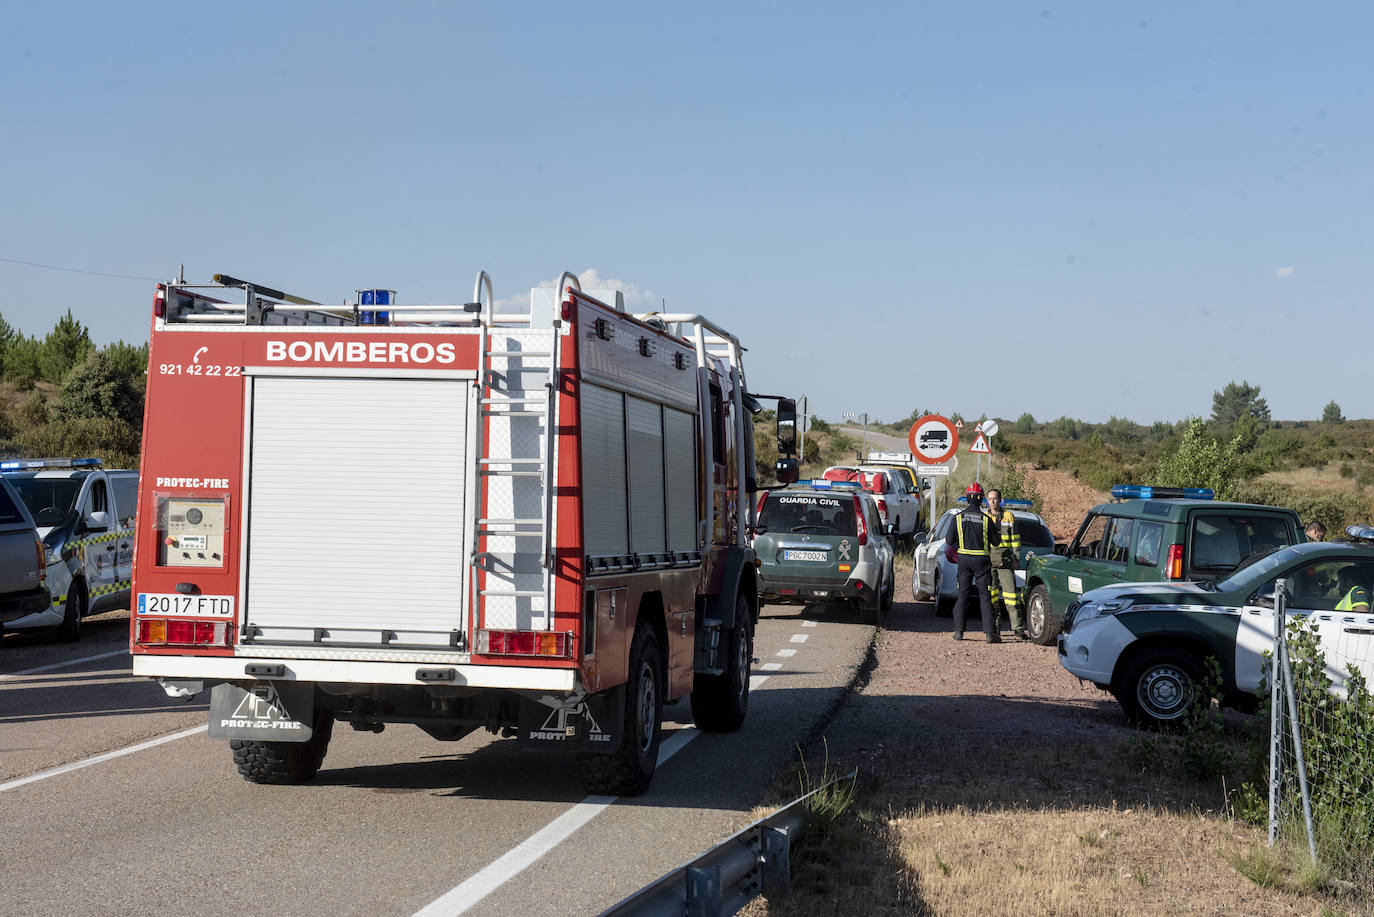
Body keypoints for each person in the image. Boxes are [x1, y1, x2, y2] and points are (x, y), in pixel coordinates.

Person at [945, 482, 1001, 643]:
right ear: (981, 500)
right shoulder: (986, 520)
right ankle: (990, 634)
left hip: (963, 560)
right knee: (984, 596)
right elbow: (996, 542)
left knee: (963, 594)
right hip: (982, 561)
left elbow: (949, 540)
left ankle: (959, 632)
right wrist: (996, 528)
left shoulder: (957, 518)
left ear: (967, 498)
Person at [986, 489, 1026, 640]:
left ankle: (1018, 629)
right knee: (992, 598)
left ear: (1000, 500)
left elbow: (1016, 539)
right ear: (987, 501)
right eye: (990, 499)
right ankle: (994, 629)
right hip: (989, 561)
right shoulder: (985, 517)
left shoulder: (1009, 516)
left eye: (995, 499)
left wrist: (1016, 558)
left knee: (1011, 597)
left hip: (1006, 561)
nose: (993, 502)